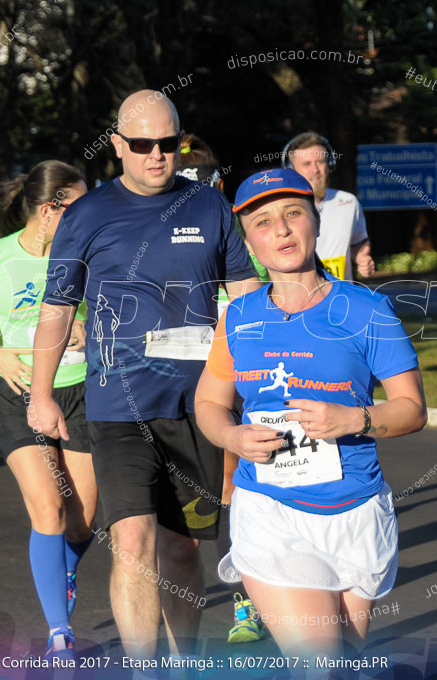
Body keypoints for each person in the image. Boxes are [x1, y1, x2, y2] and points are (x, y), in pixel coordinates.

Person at [28, 91, 259, 659]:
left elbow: (248, 300)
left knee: (182, 552)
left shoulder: (209, 208)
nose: (157, 155)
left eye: (168, 143)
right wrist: (41, 395)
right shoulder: (86, 215)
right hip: (118, 406)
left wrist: (263, 382)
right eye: (142, 145)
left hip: (199, 407)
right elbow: (57, 310)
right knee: (132, 541)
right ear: (117, 145)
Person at [195, 168, 427, 657]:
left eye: (292, 214)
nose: (280, 229)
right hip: (271, 511)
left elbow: (412, 410)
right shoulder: (239, 316)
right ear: (250, 244)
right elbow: (210, 404)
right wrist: (233, 438)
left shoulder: (367, 309)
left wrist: (353, 420)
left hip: (357, 513)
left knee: (347, 660)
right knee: (320, 662)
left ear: (315, 223)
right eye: (262, 222)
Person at [0, 161, 96, 660]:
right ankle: (59, 632)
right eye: (79, 203)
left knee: (82, 522)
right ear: (50, 209)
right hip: (19, 394)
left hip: (80, 392)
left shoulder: (88, 252)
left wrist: (87, 327)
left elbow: (114, 310)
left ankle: (64, 572)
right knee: (48, 510)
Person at [176, 133, 267, 644]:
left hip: (237, 371)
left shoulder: (239, 232)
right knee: (195, 502)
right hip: (178, 375)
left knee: (232, 482)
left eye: (203, 184)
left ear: (219, 185)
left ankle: (244, 605)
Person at [283, 131, 375, 281]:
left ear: (329, 164)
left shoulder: (348, 202)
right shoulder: (282, 208)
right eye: (307, 164)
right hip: (301, 299)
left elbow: (358, 242)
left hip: (342, 297)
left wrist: (362, 259)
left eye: (320, 162)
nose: (315, 170)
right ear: (291, 169)